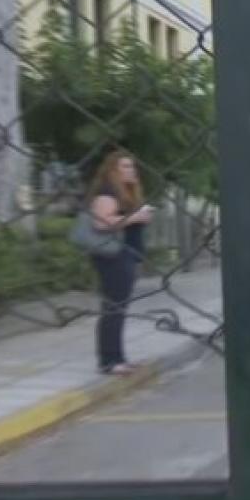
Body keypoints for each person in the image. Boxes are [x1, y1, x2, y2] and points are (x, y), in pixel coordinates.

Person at [87, 149, 153, 375]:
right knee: (113, 307)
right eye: (125, 166)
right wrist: (135, 217)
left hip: (125, 255)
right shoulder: (107, 193)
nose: (131, 170)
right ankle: (109, 361)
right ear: (112, 171)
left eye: (132, 166)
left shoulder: (125, 194)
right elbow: (101, 223)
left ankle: (118, 358)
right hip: (113, 256)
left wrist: (140, 217)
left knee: (119, 307)